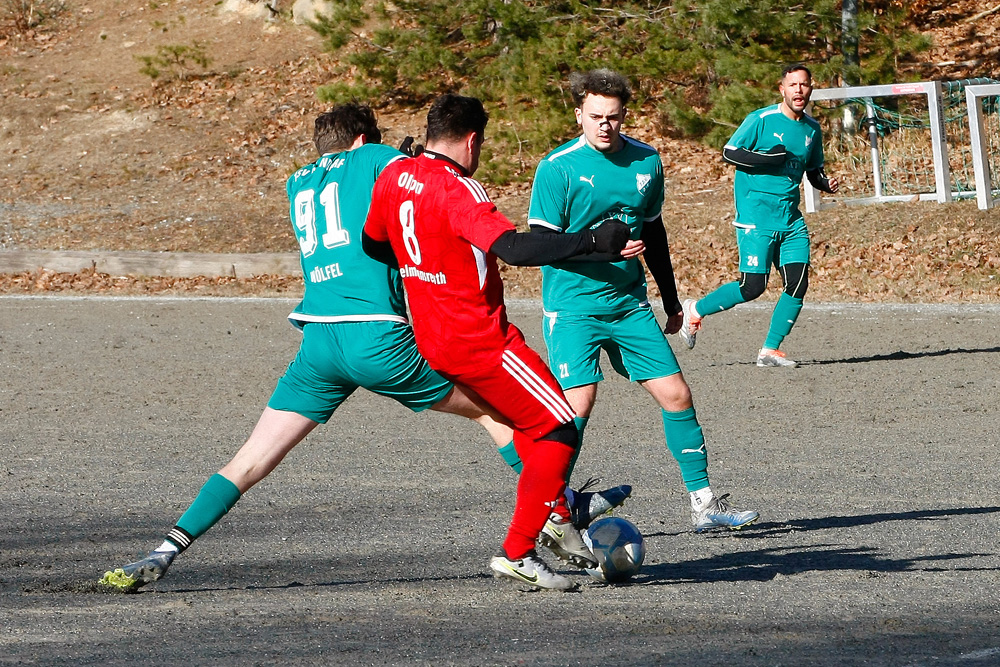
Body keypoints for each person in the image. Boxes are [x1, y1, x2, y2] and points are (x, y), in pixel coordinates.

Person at [99, 103, 624, 593]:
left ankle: (162, 551)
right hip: (379, 339)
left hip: (319, 339)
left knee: (250, 459)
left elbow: (373, 227)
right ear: (361, 139)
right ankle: (559, 511)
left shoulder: (297, 182)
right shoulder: (380, 160)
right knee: (501, 415)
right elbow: (424, 176)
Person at [364, 93, 633, 591]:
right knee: (559, 427)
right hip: (481, 340)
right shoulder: (456, 188)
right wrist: (591, 243)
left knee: (528, 425)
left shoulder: (395, 175)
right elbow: (511, 246)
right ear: (472, 139)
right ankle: (520, 549)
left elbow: (373, 242)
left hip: (433, 338)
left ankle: (559, 517)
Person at [526, 68, 759, 533]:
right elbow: (540, 245)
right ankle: (553, 510)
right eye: (595, 116)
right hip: (573, 306)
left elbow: (653, 230)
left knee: (676, 395)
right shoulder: (557, 168)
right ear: (579, 114)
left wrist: (671, 300)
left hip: (629, 303)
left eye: (612, 116)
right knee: (578, 406)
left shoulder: (646, 162)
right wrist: (597, 245)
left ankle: (704, 504)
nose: (604, 125)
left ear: (624, 114)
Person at [678, 63, 839, 368]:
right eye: (793, 85)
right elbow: (730, 152)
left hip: (790, 219)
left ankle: (769, 350)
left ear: (811, 89)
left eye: (804, 85)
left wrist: (825, 183)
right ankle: (695, 310)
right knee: (753, 286)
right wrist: (767, 159)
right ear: (782, 89)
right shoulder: (761, 119)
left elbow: (813, 170)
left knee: (798, 282)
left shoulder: (812, 130)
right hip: (756, 217)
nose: (799, 90)